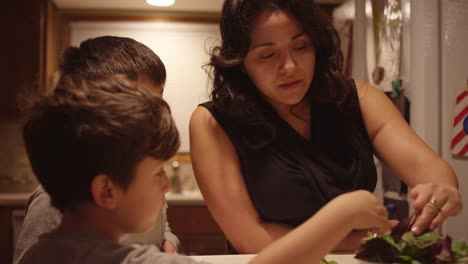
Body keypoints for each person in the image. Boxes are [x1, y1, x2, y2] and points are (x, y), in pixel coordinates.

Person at [18, 73, 391, 264]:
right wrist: (343, 213)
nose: (166, 187)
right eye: (158, 173)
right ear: (107, 191)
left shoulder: (40, 253)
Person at [189, 0, 462, 254]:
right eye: (268, 54)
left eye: (300, 46)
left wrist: (441, 189)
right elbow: (250, 238)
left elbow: (430, 170)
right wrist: (360, 240)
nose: (290, 66)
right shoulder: (213, 124)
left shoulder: (360, 99)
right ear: (241, 63)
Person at [14, 36, 179, 263]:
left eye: (157, 101)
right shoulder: (52, 200)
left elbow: (161, 226)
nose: (155, 115)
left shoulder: (140, 175)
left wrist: (168, 240)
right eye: (139, 103)